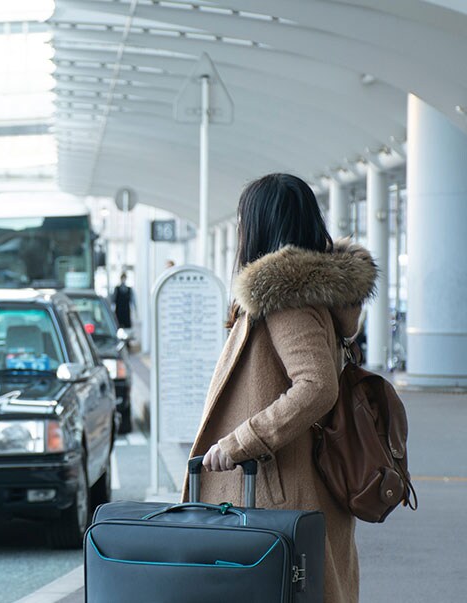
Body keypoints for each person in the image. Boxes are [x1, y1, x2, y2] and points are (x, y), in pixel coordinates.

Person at [186, 173, 376, 603]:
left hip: (276, 491)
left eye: (243, 221)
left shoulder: (285, 298)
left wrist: (241, 442)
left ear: (259, 226)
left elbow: (316, 386)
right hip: (299, 485)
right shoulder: (311, 296)